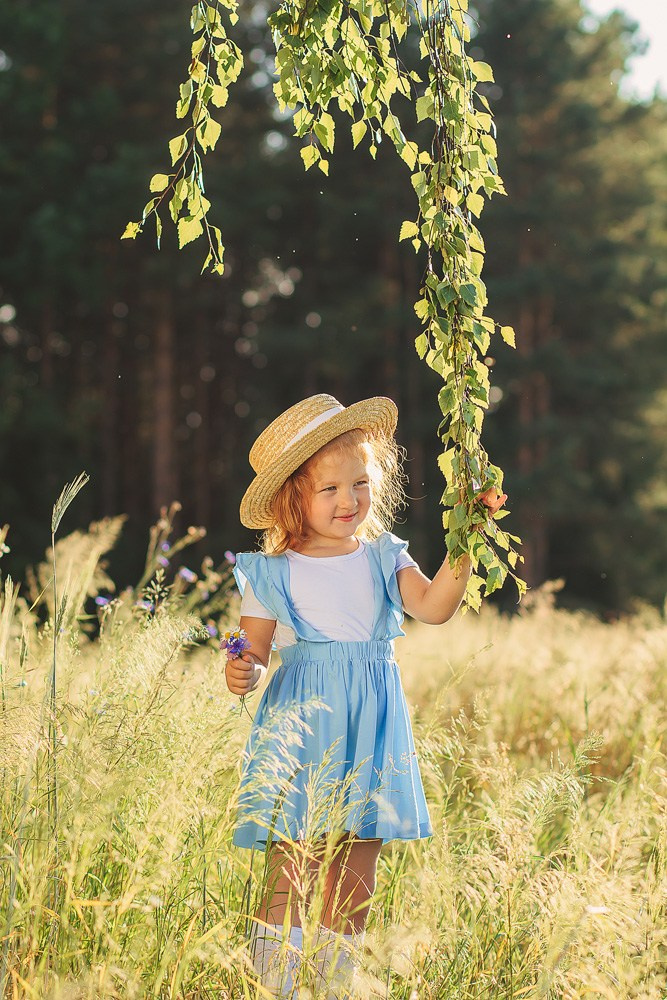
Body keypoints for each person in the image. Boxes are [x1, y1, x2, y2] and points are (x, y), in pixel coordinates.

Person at [225, 393, 505, 998]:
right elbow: (253, 650)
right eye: (329, 490)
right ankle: (278, 984)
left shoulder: (383, 556)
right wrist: (240, 670)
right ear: (290, 499)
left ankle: (333, 984)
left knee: (356, 867)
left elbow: (434, 607)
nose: (348, 501)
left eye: (360, 483)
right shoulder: (272, 571)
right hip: (302, 726)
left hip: (372, 724)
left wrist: (467, 535)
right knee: (293, 862)